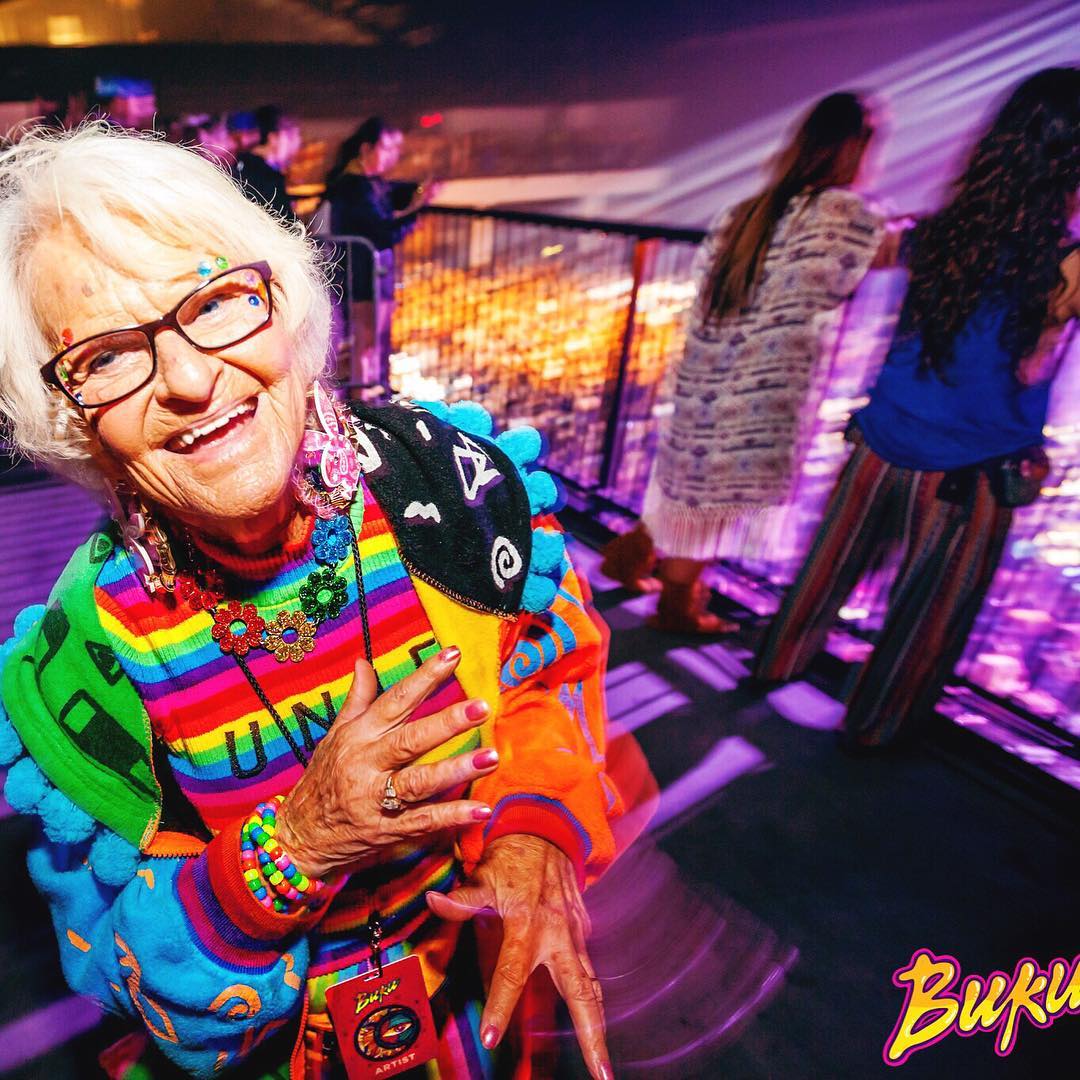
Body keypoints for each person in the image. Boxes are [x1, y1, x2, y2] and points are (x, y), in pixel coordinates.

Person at [0, 124, 618, 1080]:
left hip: (465, 993)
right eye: (108, 356)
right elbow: (121, 963)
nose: (191, 380)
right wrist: (295, 847)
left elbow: (543, 679)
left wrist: (531, 827)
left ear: (283, 303)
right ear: (72, 418)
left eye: (216, 301)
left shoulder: (447, 495)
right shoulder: (88, 663)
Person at [755, 67, 1080, 749]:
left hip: (881, 443)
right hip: (969, 471)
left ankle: (774, 665)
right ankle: (874, 729)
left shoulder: (934, 233)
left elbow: (846, 260)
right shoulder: (1066, 262)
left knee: (824, 574)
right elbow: (1030, 364)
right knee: (924, 623)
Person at [601, 92, 899, 633]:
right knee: (717, 510)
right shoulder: (847, 216)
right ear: (857, 148)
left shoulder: (745, 212)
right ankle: (676, 609)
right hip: (762, 398)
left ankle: (630, 557)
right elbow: (890, 254)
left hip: (704, 380)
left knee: (688, 489)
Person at [323, 117, 440, 387]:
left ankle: (370, 393)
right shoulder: (353, 188)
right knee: (366, 344)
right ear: (367, 149)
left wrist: (417, 194)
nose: (393, 156)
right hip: (362, 276)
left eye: (397, 149)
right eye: (388, 148)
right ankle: (364, 399)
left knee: (371, 343)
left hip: (369, 274)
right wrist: (417, 211)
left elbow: (392, 196)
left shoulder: (364, 183)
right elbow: (381, 234)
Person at [230, 105, 302, 225]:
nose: (296, 144)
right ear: (273, 137)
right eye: (292, 136)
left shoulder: (240, 168)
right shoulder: (267, 177)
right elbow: (284, 222)